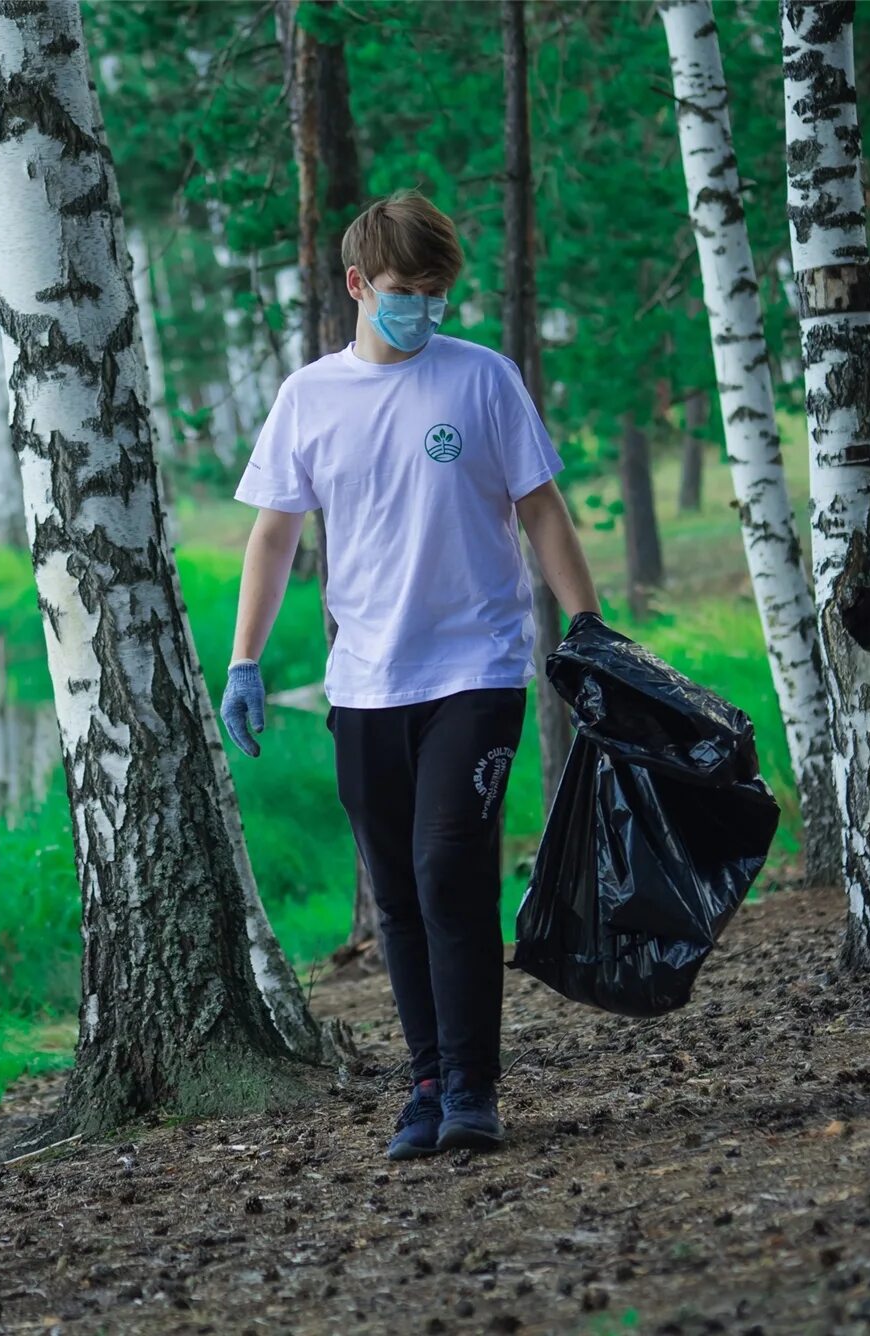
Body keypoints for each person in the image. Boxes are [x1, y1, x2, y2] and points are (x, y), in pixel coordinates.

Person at [219, 189, 600, 1160]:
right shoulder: (308, 398)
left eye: (435, 293)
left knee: (447, 869)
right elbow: (272, 535)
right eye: (402, 291)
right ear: (355, 284)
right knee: (394, 892)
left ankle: (474, 1084)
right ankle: (424, 1083)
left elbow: (543, 509)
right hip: (363, 682)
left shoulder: (481, 382)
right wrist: (244, 661)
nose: (421, 309)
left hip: (474, 669)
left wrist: (588, 626)